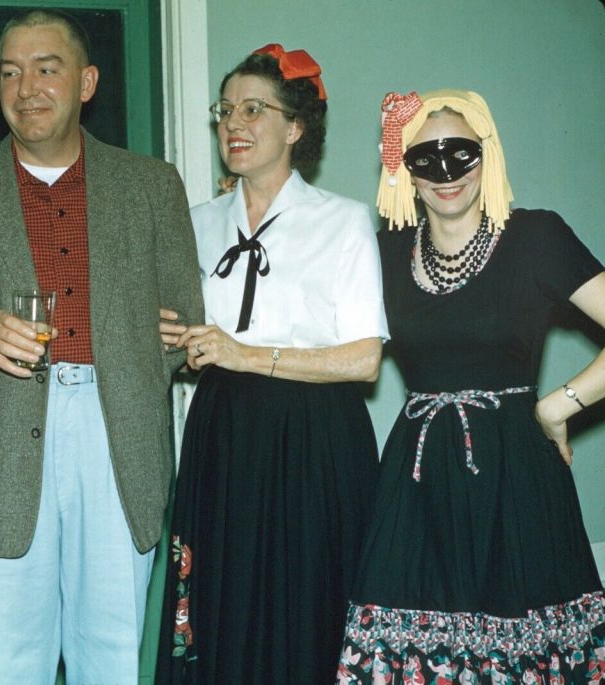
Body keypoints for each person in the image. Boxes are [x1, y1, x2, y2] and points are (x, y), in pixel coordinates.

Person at [0, 8, 203, 683]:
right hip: (3, 441)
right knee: (16, 659)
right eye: (10, 72)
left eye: (47, 69)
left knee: (111, 657)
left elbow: (183, 318)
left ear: (87, 82)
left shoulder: (152, 186)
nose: (26, 87)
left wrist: (139, 352)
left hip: (119, 436)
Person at [338, 89, 605, 683]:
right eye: (424, 157)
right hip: (416, 480)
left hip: (518, 476)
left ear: (488, 156)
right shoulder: (381, 252)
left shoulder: (536, 237)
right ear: (403, 171)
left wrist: (563, 403)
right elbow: (317, 330)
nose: (445, 173)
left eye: (460, 152)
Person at [155, 45, 388, 684]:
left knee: (309, 604)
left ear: (294, 127)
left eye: (254, 109)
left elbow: (365, 359)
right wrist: (173, 344)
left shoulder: (341, 221)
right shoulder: (196, 224)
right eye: (226, 109)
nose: (234, 122)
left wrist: (245, 353)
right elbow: (186, 349)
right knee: (221, 603)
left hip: (315, 438)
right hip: (223, 436)